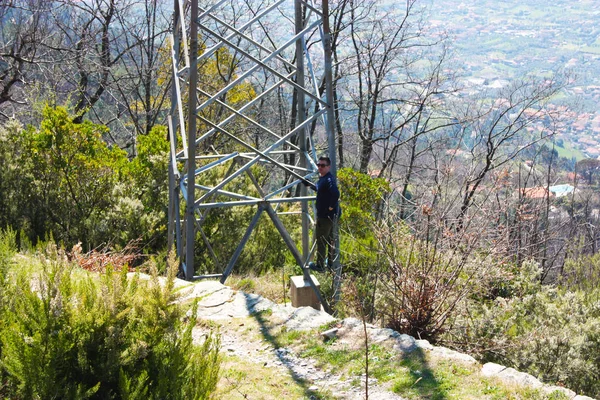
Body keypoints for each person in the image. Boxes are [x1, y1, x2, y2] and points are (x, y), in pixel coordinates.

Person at [308, 156, 339, 272]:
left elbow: (335, 193)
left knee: (321, 241)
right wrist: (308, 184)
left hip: (325, 217)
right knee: (331, 240)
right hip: (330, 217)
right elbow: (319, 188)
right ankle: (331, 263)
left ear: (328, 167)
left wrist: (330, 207)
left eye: (323, 165)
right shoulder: (324, 179)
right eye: (318, 165)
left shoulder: (328, 179)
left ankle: (320, 265)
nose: (320, 167)